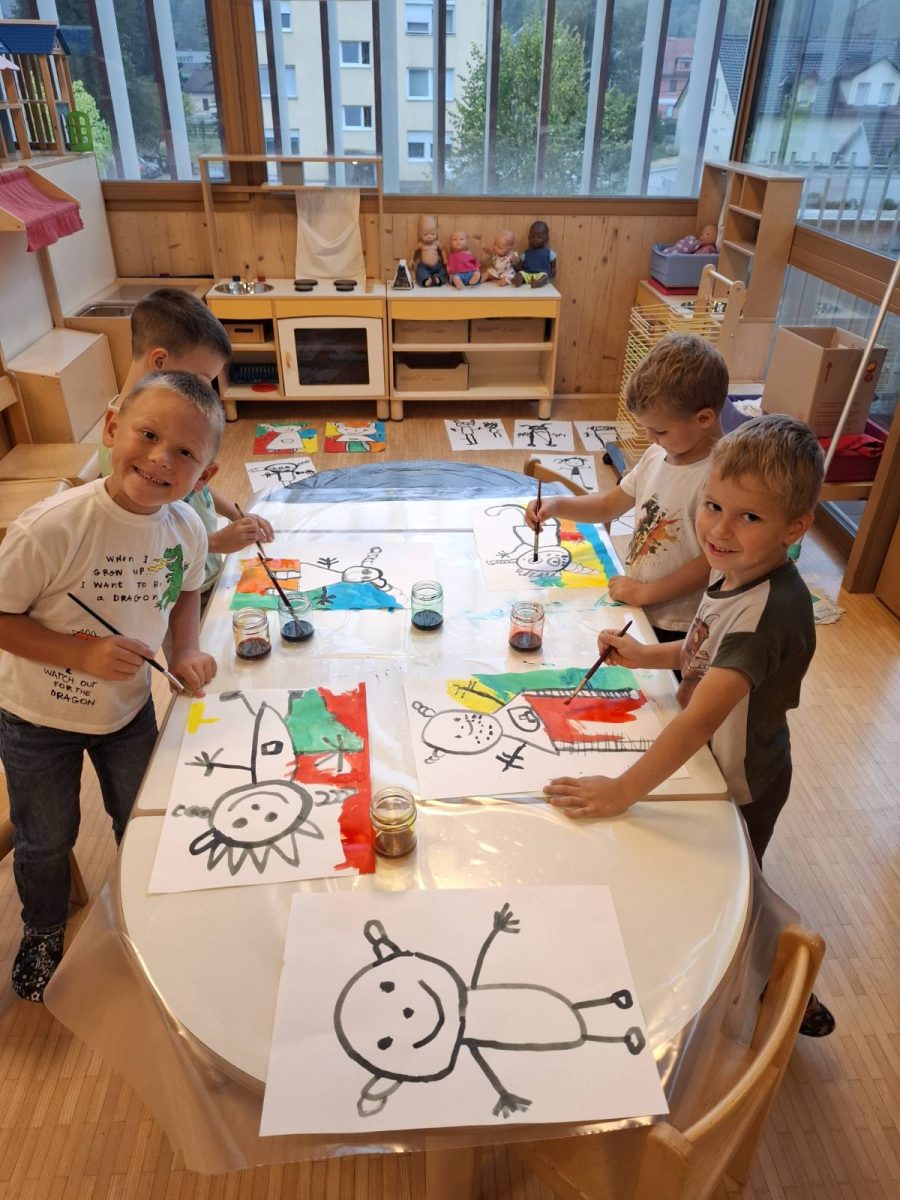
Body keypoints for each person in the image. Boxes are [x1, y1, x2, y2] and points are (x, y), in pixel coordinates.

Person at [543, 414, 835, 1037]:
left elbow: (703, 714)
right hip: (711, 759)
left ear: (795, 527)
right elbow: (705, 647)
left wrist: (621, 790)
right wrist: (647, 655)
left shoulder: (767, 612)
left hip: (741, 776)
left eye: (748, 517)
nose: (719, 530)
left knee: (735, 884)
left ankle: (787, 985)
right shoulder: (737, 570)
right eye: (713, 506)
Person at [0, 372, 223, 1002]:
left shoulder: (186, 527)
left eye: (184, 452)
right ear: (111, 428)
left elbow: (187, 591)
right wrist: (82, 654)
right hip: (34, 720)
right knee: (46, 839)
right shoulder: (52, 527)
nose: (160, 458)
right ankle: (43, 927)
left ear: (205, 475)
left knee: (141, 818)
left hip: (127, 713)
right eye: (147, 435)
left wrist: (186, 648)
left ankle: (137, 916)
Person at [526, 333, 727, 645]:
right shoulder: (657, 454)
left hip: (679, 624)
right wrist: (556, 505)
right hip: (641, 604)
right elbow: (609, 506)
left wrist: (647, 592)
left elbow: (711, 562)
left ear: (703, 418)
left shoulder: (721, 479)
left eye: (659, 430)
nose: (649, 438)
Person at [98, 288, 273, 599]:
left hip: (203, 570)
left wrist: (236, 513)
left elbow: (195, 487)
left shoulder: (160, 426)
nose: (207, 392)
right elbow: (148, 540)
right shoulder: (125, 452)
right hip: (176, 588)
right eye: (202, 379)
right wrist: (216, 542)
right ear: (160, 361)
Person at [512, 220, 556, 287]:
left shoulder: (548, 252)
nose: (535, 239)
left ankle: (538, 283)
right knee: (521, 273)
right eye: (532, 237)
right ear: (529, 237)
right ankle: (518, 280)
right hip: (527, 273)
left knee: (545, 276)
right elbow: (519, 266)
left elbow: (553, 259)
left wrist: (553, 269)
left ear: (546, 239)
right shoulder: (526, 253)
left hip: (541, 274)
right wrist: (516, 266)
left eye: (539, 237)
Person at [412, 214, 448, 287]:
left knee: (442, 271)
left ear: (436, 232)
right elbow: (413, 250)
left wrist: (445, 259)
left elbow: (443, 250)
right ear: (420, 234)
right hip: (424, 267)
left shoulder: (437, 243)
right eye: (425, 234)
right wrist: (411, 259)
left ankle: (438, 278)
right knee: (420, 272)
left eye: (433, 234)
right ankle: (426, 279)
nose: (429, 236)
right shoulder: (421, 244)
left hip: (437, 266)